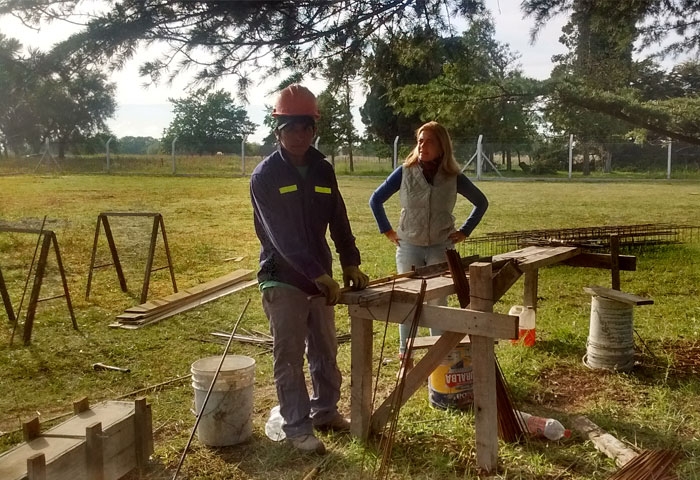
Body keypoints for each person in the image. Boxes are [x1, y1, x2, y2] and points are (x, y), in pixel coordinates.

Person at [250, 84, 369, 455]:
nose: (298, 134)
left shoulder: (322, 169)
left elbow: (339, 218)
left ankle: (325, 411)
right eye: (290, 127)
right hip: (282, 277)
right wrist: (317, 273)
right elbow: (281, 236)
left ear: (314, 129)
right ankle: (297, 427)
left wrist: (350, 260)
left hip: (322, 278)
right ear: (277, 131)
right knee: (288, 356)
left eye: (305, 127)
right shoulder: (265, 176)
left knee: (324, 350)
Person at [369, 121, 488, 375]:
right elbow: (375, 199)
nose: (422, 146)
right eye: (420, 141)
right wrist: (387, 229)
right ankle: (406, 358)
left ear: (442, 145)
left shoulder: (453, 177)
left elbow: (481, 202)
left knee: (437, 303)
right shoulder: (405, 171)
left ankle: (438, 359)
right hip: (409, 246)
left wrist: (465, 231)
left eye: (429, 141)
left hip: (440, 248)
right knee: (408, 303)